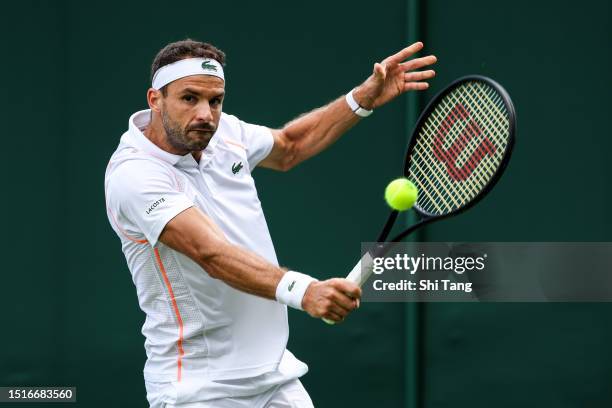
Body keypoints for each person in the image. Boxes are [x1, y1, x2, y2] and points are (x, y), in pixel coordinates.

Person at [104, 39, 436, 408]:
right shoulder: (135, 174)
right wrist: (305, 291)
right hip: (199, 388)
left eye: (215, 101)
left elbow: (291, 145)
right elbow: (211, 253)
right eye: (189, 98)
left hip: (274, 377)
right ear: (155, 99)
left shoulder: (225, 133)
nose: (206, 114)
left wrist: (361, 99)